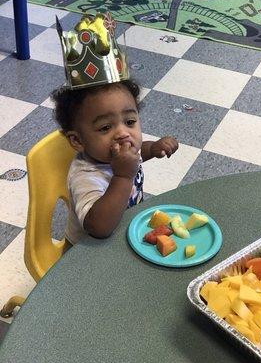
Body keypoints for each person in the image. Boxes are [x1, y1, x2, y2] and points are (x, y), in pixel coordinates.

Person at [51, 79, 178, 245]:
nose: (122, 133)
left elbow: (138, 153)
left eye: (130, 122)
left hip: (126, 230)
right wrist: (123, 176)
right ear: (78, 140)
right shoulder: (85, 177)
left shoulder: (120, 156)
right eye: (105, 128)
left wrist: (152, 148)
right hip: (88, 253)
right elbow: (99, 228)